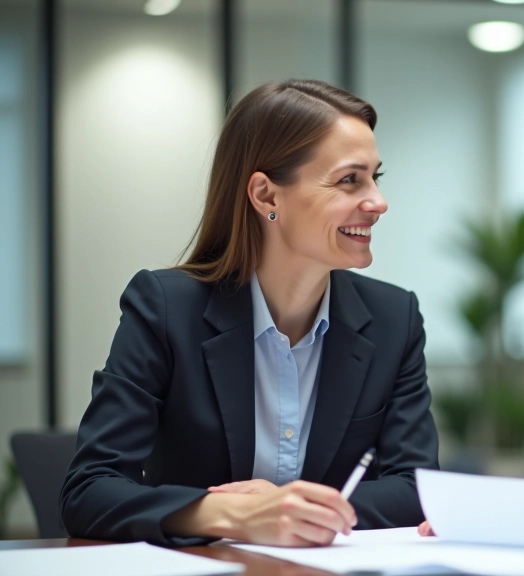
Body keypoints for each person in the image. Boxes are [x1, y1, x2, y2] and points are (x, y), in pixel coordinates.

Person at [61, 80, 439, 547]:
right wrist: (232, 513)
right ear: (266, 196)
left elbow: (419, 489)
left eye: (374, 178)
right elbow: (89, 490)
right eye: (349, 180)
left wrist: (297, 512)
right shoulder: (164, 308)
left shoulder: (393, 317)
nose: (378, 203)